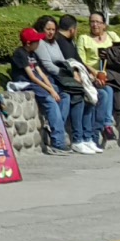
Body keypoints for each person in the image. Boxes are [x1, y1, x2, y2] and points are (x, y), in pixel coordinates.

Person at [79, 11, 120, 147]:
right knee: (106, 91)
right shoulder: (84, 38)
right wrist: (96, 73)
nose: (95, 25)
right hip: (100, 77)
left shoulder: (112, 36)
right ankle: (107, 126)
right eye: (92, 22)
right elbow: (81, 61)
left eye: (98, 22)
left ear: (104, 24)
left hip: (119, 76)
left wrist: (109, 54)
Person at [7, 27, 69, 151]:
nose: (39, 43)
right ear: (28, 43)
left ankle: (55, 127)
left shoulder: (33, 54)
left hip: (38, 82)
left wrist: (52, 88)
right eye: (36, 41)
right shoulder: (20, 53)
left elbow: (41, 74)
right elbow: (32, 76)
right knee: (50, 101)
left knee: (64, 96)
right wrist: (50, 91)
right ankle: (58, 142)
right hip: (27, 83)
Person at [56, 13, 109, 148]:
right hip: (68, 81)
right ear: (73, 29)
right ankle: (79, 138)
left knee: (102, 94)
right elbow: (69, 64)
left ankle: (91, 136)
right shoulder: (60, 42)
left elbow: (79, 61)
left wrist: (92, 75)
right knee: (84, 97)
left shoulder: (69, 42)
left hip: (81, 78)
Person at [31, 17, 78, 149]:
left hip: (59, 77)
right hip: (49, 77)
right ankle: (58, 136)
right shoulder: (40, 43)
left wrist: (71, 71)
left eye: (53, 29)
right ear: (41, 29)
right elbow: (48, 65)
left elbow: (62, 60)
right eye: (48, 29)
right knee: (60, 97)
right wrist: (65, 73)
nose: (51, 32)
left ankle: (56, 130)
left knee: (67, 96)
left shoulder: (54, 42)